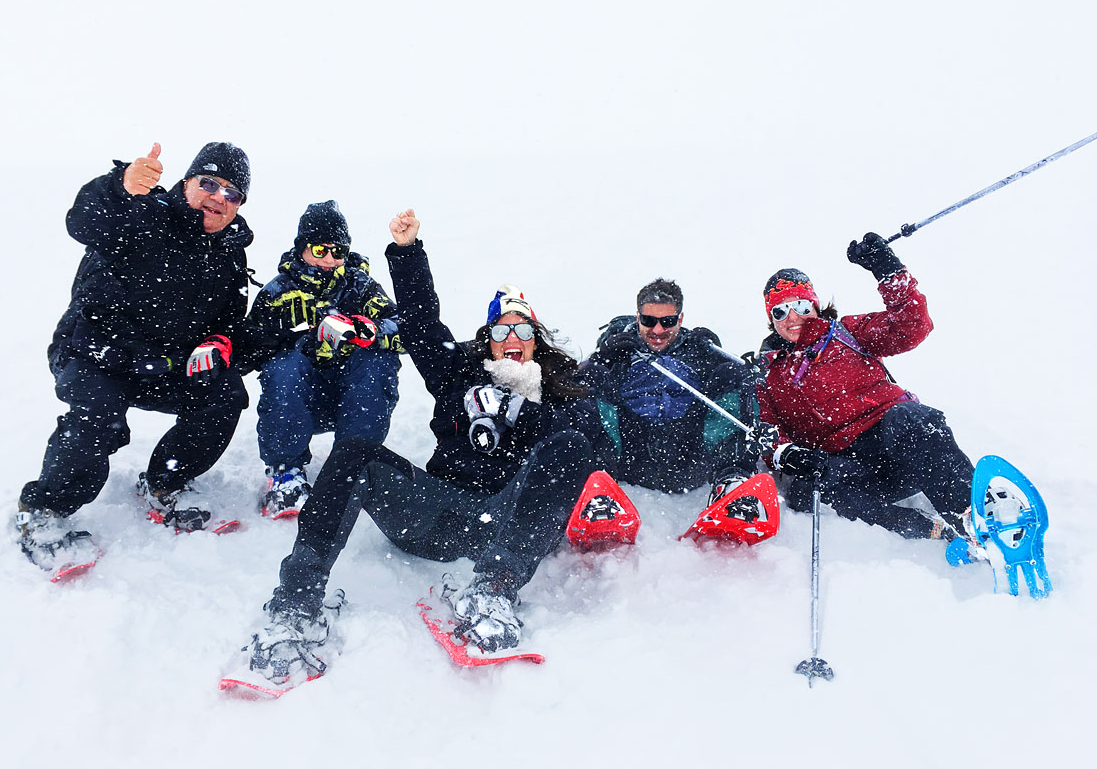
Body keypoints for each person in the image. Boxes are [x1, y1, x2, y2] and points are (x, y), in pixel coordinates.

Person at [239, 208, 609, 683]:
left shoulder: (565, 394)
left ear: (537, 340)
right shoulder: (459, 376)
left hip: (511, 526)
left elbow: (592, 453)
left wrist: (520, 411)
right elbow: (420, 324)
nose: (510, 338)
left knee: (571, 447)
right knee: (355, 451)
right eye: (500, 330)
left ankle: (493, 592)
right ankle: (296, 604)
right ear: (488, 339)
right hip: (437, 515)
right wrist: (408, 254)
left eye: (521, 330)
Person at [16, 142, 255, 572]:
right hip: (97, 352)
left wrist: (219, 343)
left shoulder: (230, 253)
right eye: (209, 183)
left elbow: (231, 320)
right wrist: (119, 186)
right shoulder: (144, 214)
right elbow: (85, 221)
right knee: (99, 412)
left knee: (225, 396)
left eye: (232, 194)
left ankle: (164, 483)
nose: (219, 197)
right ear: (186, 184)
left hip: (167, 365)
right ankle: (45, 511)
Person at [754, 232, 975, 551]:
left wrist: (889, 273)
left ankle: (971, 517)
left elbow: (911, 327)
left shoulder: (847, 333)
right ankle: (928, 531)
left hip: (895, 440)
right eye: (780, 311)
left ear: (814, 304)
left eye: (800, 305)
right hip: (850, 466)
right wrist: (786, 452)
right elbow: (767, 431)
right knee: (814, 486)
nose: (793, 318)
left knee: (909, 419)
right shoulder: (769, 374)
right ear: (770, 319)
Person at [240, 200, 404, 518]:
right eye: (319, 250)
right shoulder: (279, 291)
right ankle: (285, 474)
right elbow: (245, 352)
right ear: (302, 248)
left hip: (353, 396)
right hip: (299, 403)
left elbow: (405, 328)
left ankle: (355, 466)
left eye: (337, 251)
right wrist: (281, 331)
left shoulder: (360, 285)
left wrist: (369, 330)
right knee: (285, 366)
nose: (329, 259)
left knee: (378, 361)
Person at [582, 278, 758, 500]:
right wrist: (603, 358)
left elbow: (740, 382)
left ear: (680, 319)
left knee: (733, 374)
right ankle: (598, 488)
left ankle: (731, 483)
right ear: (638, 317)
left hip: (687, 456)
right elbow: (579, 383)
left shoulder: (695, 349)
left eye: (667, 321)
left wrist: (714, 355)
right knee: (590, 375)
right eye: (648, 320)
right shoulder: (621, 349)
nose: (657, 330)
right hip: (630, 455)